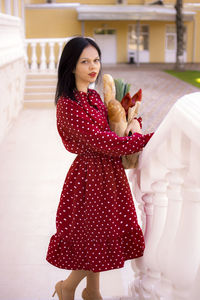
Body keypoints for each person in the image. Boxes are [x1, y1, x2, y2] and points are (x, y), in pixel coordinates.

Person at [46, 36, 153, 300]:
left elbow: (112, 128)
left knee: (100, 233)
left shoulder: (94, 96)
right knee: (95, 236)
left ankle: (92, 291)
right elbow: (101, 140)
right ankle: (67, 287)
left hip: (108, 175)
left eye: (96, 60)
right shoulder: (67, 105)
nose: (93, 67)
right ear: (71, 66)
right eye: (85, 61)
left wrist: (132, 120)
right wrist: (145, 139)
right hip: (89, 177)